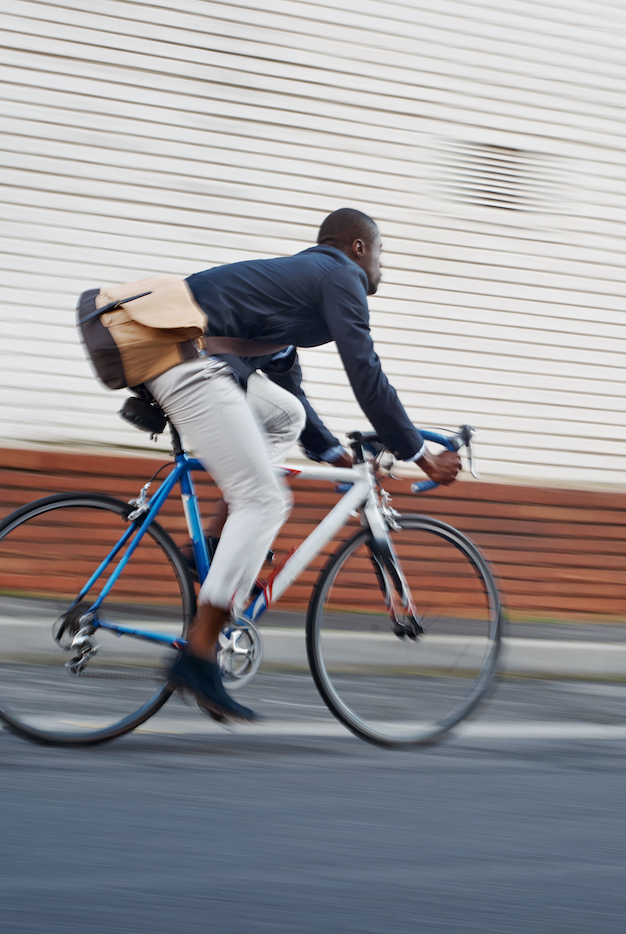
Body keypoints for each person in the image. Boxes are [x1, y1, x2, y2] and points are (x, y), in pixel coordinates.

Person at [145, 208, 462, 721]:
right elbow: (365, 368)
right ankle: (198, 655)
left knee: (284, 416)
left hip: (184, 356)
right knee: (267, 499)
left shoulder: (292, 299)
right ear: (357, 248)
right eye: (380, 253)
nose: (382, 267)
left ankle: (221, 537)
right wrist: (418, 453)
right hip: (183, 356)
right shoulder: (340, 275)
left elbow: (289, 395)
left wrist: (338, 456)